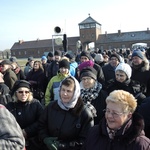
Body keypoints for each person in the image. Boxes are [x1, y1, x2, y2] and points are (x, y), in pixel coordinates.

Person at [38, 76, 94, 150]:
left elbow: (85, 140)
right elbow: (41, 125)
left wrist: (62, 146)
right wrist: (45, 138)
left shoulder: (84, 113)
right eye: (63, 90)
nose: (64, 94)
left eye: (68, 91)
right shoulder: (51, 106)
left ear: (75, 93)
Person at [82, 90, 150, 150]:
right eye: (108, 111)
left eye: (115, 113)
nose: (109, 116)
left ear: (128, 116)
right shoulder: (93, 133)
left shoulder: (141, 144)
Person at [6, 80, 44, 150]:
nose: (24, 94)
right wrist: (18, 132)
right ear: (16, 93)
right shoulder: (10, 106)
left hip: (34, 142)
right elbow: (6, 123)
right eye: (20, 92)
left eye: (27, 92)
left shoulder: (36, 104)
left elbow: (42, 120)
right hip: (15, 142)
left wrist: (26, 131)